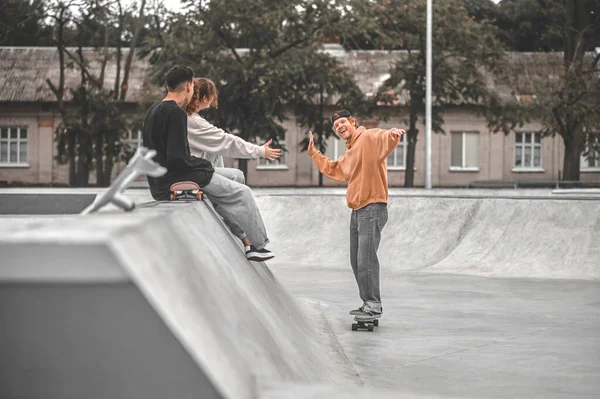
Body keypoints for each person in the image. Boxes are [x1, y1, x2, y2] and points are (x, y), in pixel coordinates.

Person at [142, 65, 275, 262]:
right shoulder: (176, 114)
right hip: (176, 179)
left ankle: (246, 240)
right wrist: (204, 166)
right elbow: (178, 159)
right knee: (242, 193)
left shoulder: (154, 109)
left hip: (159, 180)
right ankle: (257, 245)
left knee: (234, 178)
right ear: (188, 87)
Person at [307, 109, 405, 320]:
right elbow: (336, 169)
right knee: (356, 260)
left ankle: (373, 304)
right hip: (358, 210)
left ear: (352, 122)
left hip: (372, 207)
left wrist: (392, 134)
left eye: (343, 122)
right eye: (336, 126)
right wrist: (315, 154)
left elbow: (382, 137)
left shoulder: (367, 137)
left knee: (366, 259)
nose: (340, 127)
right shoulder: (352, 151)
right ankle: (367, 302)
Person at [184, 77, 283, 184]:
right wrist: (259, 151)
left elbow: (221, 142)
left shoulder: (188, 117)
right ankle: (227, 197)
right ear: (204, 98)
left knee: (215, 150)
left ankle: (221, 195)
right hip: (192, 172)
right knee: (237, 176)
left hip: (192, 166)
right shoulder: (193, 122)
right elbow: (226, 141)